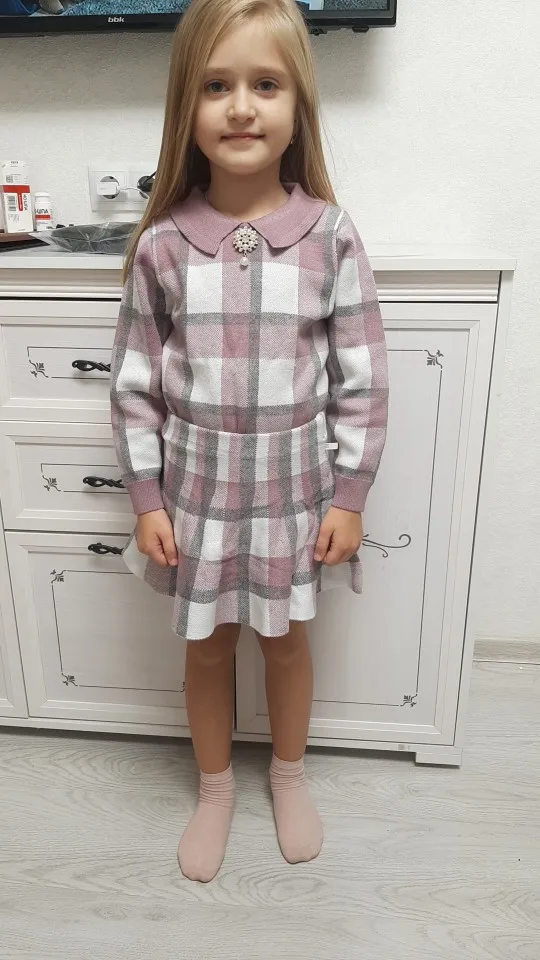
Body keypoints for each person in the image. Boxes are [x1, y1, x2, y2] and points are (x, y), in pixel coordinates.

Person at [110, 0, 389, 883]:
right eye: (216, 86)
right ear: (185, 108)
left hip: (293, 493)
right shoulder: (161, 247)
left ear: (297, 105)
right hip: (194, 496)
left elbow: (362, 378)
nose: (240, 107)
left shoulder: (330, 237)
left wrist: (350, 495)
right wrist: (146, 499)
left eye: (265, 85)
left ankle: (290, 777)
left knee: (286, 642)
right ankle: (216, 788)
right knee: (206, 648)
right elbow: (134, 386)